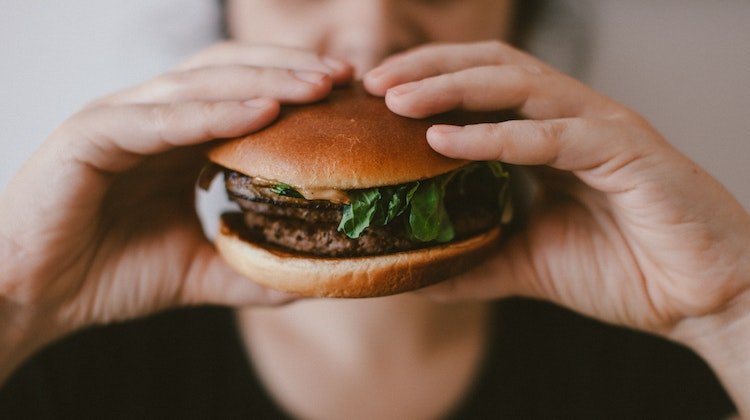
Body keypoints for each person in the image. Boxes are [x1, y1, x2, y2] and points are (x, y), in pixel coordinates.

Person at [0, 0, 747, 418]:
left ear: (518, 18)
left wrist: (731, 313)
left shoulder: (658, 357)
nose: (369, 34)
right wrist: (16, 304)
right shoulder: (68, 358)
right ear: (227, 18)